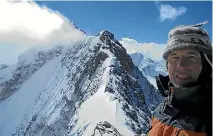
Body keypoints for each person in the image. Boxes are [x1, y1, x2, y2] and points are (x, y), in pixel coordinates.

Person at [147, 22, 212, 136]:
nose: (181, 64)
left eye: (191, 57)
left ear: (207, 64)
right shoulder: (164, 106)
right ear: (167, 65)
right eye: (174, 57)